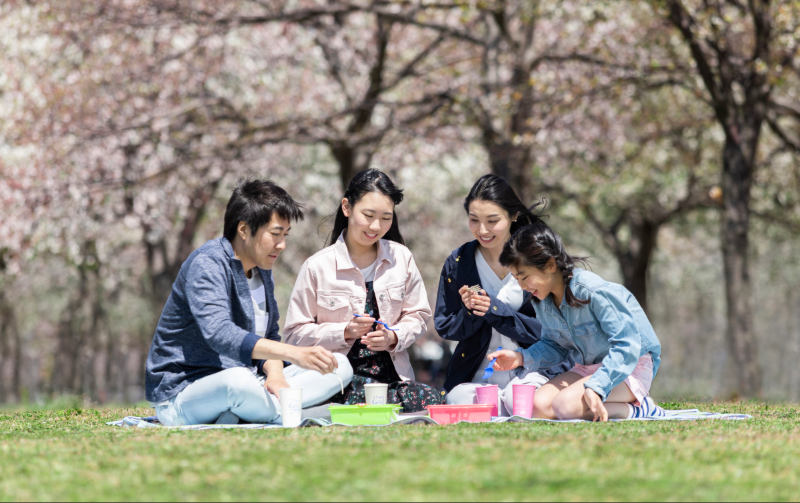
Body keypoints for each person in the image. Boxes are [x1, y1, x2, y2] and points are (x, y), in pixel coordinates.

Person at [145, 179, 353, 426]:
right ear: (244, 230)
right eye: (275, 234)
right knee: (238, 382)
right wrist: (295, 353)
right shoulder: (207, 264)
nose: (282, 245)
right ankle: (284, 412)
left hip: (250, 383)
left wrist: (275, 374)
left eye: (285, 235)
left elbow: (270, 336)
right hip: (185, 394)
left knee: (338, 365)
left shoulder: (261, 268)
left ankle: (256, 411)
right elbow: (220, 333)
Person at [283, 168, 442, 412]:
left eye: (386, 218)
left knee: (431, 398)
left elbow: (418, 315)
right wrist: (343, 332)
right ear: (346, 207)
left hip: (393, 381)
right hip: (338, 381)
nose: (376, 226)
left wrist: (394, 337)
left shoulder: (402, 257)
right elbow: (294, 334)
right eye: (368, 215)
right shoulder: (317, 267)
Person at [487, 223, 666, 421]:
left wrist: (598, 386)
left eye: (525, 277)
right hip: (588, 368)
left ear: (550, 265)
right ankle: (605, 403)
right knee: (538, 406)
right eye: (516, 279)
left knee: (565, 406)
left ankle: (639, 409)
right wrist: (520, 358)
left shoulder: (593, 292)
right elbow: (555, 346)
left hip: (628, 367)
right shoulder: (542, 300)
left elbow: (627, 346)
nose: (521, 286)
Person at [434, 175, 572, 416]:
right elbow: (447, 328)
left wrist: (493, 310)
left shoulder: (537, 257)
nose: (482, 230)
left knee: (518, 396)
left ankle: (506, 404)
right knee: (456, 397)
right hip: (478, 375)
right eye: (474, 220)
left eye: (492, 220)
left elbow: (554, 329)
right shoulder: (458, 263)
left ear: (513, 216)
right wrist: (471, 311)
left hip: (533, 368)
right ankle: (501, 405)